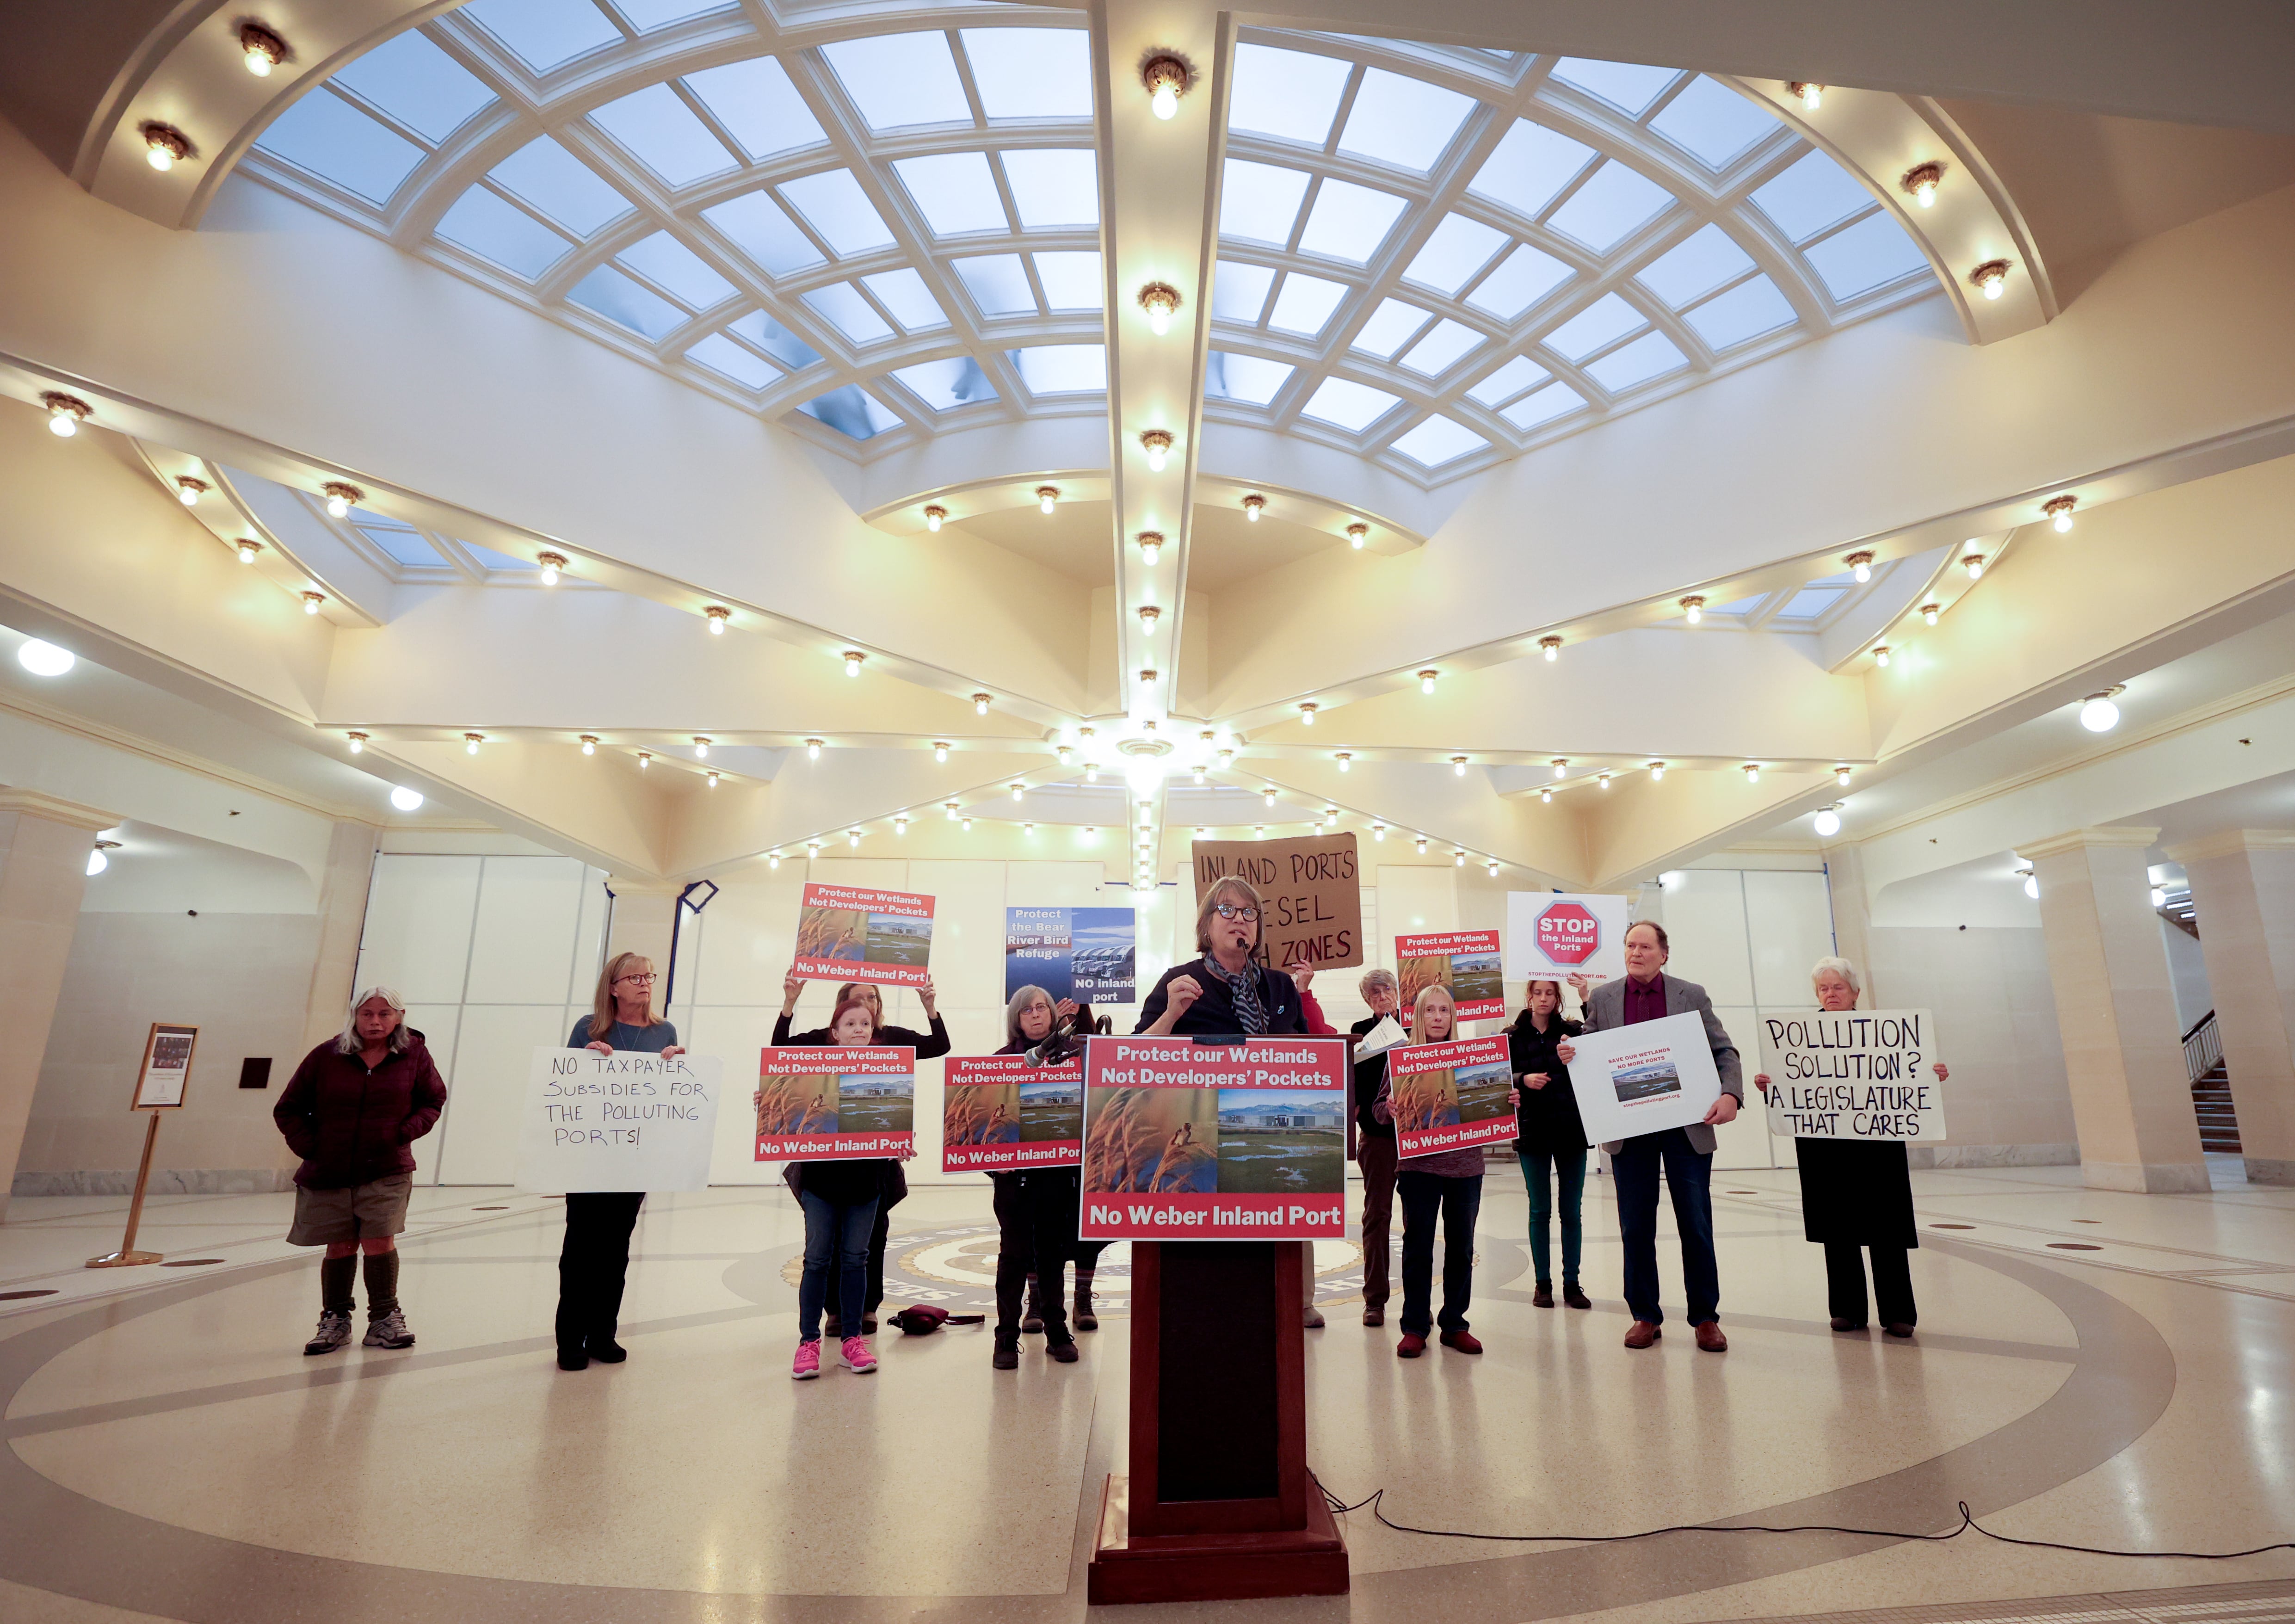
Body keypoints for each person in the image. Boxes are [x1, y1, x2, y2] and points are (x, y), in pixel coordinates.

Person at [1135, 877, 1323, 1326]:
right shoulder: (1179, 981)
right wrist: (1171, 1015)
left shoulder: (1279, 987)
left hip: (1269, 1128)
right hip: (1203, 1131)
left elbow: (1306, 1052)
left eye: (1249, 913)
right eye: (1228, 910)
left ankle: (1297, 1299)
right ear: (1206, 924)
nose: (1240, 920)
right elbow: (1135, 1054)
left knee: (1283, 1212)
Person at [1560, 920, 1743, 1352]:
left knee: (1696, 1224)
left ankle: (1705, 1318)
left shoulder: (1690, 994)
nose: (1635, 952)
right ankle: (1645, 1315)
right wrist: (1573, 1052)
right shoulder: (1604, 998)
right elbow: (1591, 1049)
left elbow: (1724, 1050)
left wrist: (1732, 1093)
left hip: (1687, 1127)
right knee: (1635, 1226)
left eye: (1644, 946)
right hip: (1630, 1131)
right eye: (1629, 946)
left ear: (1664, 953)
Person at [1753, 957, 1948, 1339]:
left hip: (1877, 1147)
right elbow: (1791, 1089)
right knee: (1836, 1225)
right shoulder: (1799, 1035)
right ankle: (1846, 1309)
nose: (1830, 994)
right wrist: (1769, 1086)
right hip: (1825, 1148)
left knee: (1886, 1226)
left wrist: (1931, 1074)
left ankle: (1898, 1313)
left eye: (1837, 987)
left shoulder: (1883, 1033)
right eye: (1823, 988)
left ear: (1855, 992)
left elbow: (1909, 1079)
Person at [274, 987, 446, 1355]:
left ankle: (385, 1318)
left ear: (399, 1016)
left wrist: (403, 1133)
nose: (375, 1021)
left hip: (387, 1166)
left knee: (379, 1238)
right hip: (329, 1169)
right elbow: (287, 1108)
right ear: (355, 1015)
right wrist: (311, 1147)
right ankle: (335, 1319)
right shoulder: (327, 1055)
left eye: (385, 1014)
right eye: (367, 1013)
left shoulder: (413, 1054)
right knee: (339, 1242)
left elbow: (433, 1099)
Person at [777, 971, 947, 1337]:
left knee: (867, 1244)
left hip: (871, 1172)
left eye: (872, 1002)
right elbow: (780, 1059)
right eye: (856, 1004)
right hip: (824, 1175)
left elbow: (938, 1047)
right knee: (823, 1253)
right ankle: (828, 1318)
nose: (865, 1010)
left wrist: (898, 1138)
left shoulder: (891, 1048)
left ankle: (864, 1312)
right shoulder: (820, 1049)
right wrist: (770, 1097)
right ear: (836, 1025)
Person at [556, 952, 685, 1371]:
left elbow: (666, 1096)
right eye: (635, 977)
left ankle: (603, 1334)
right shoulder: (588, 1028)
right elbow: (567, 1088)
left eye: (649, 976)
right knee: (580, 1248)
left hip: (634, 1160)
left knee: (616, 1249)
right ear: (613, 987)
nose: (645, 983)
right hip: (591, 1156)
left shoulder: (663, 1029)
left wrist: (679, 1069)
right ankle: (570, 1339)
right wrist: (586, 1060)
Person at [786, 997, 914, 1379]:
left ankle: (853, 1340)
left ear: (874, 1032)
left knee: (856, 1258)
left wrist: (901, 1144)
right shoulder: (812, 1074)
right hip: (821, 1183)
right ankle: (808, 1342)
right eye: (850, 1024)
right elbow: (786, 1111)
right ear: (835, 1033)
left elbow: (893, 1127)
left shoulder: (890, 1075)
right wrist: (766, 1103)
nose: (859, 1029)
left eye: (865, 1023)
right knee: (817, 1261)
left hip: (867, 1182)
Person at [1374, 984, 1483, 1357]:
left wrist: (1507, 1100)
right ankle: (1415, 1326)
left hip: (1466, 1167)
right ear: (1418, 1017)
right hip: (1419, 1167)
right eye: (1429, 1011)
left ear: (1453, 1016)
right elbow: (1377, 1110)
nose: (1438, 1017)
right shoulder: (1404, 1057)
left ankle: (1454, 1323)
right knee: (1418, 1248)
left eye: (1444, 1010)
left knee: (1461, 1249)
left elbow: (1489, 1104)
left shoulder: (1472, 1056)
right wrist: (1388, 1108)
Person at [1506, 978, 1591, 1310]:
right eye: (1537, 992)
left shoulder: (1573, 1030)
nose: (1543, 998)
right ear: (1528, 996)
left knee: (1572, 1210)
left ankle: (1573, 1282)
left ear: (1558, 997)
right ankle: (1543, 1283)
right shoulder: (1510, 1036)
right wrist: (1522, 1080)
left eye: (1550, 992)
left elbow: (1600, 1046)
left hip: (1571, 1129)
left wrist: (1587, 997)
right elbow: (1496, 1077)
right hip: (1532, 1130)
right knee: (1539, 1209)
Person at [1350, 967, 1404, 1326]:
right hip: (1377, 1137)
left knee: (1421, 1219)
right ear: (1368, 1000)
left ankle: (1417, 1302)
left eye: (1387, 991)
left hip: (1417, 1138)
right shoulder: (1359, 1033)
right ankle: (1375, 1299)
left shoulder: (1418, 1028)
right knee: (1377, 1217)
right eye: (1375, 994)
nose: (1382, 997)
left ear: (1398, 993)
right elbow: (1354, 1082)